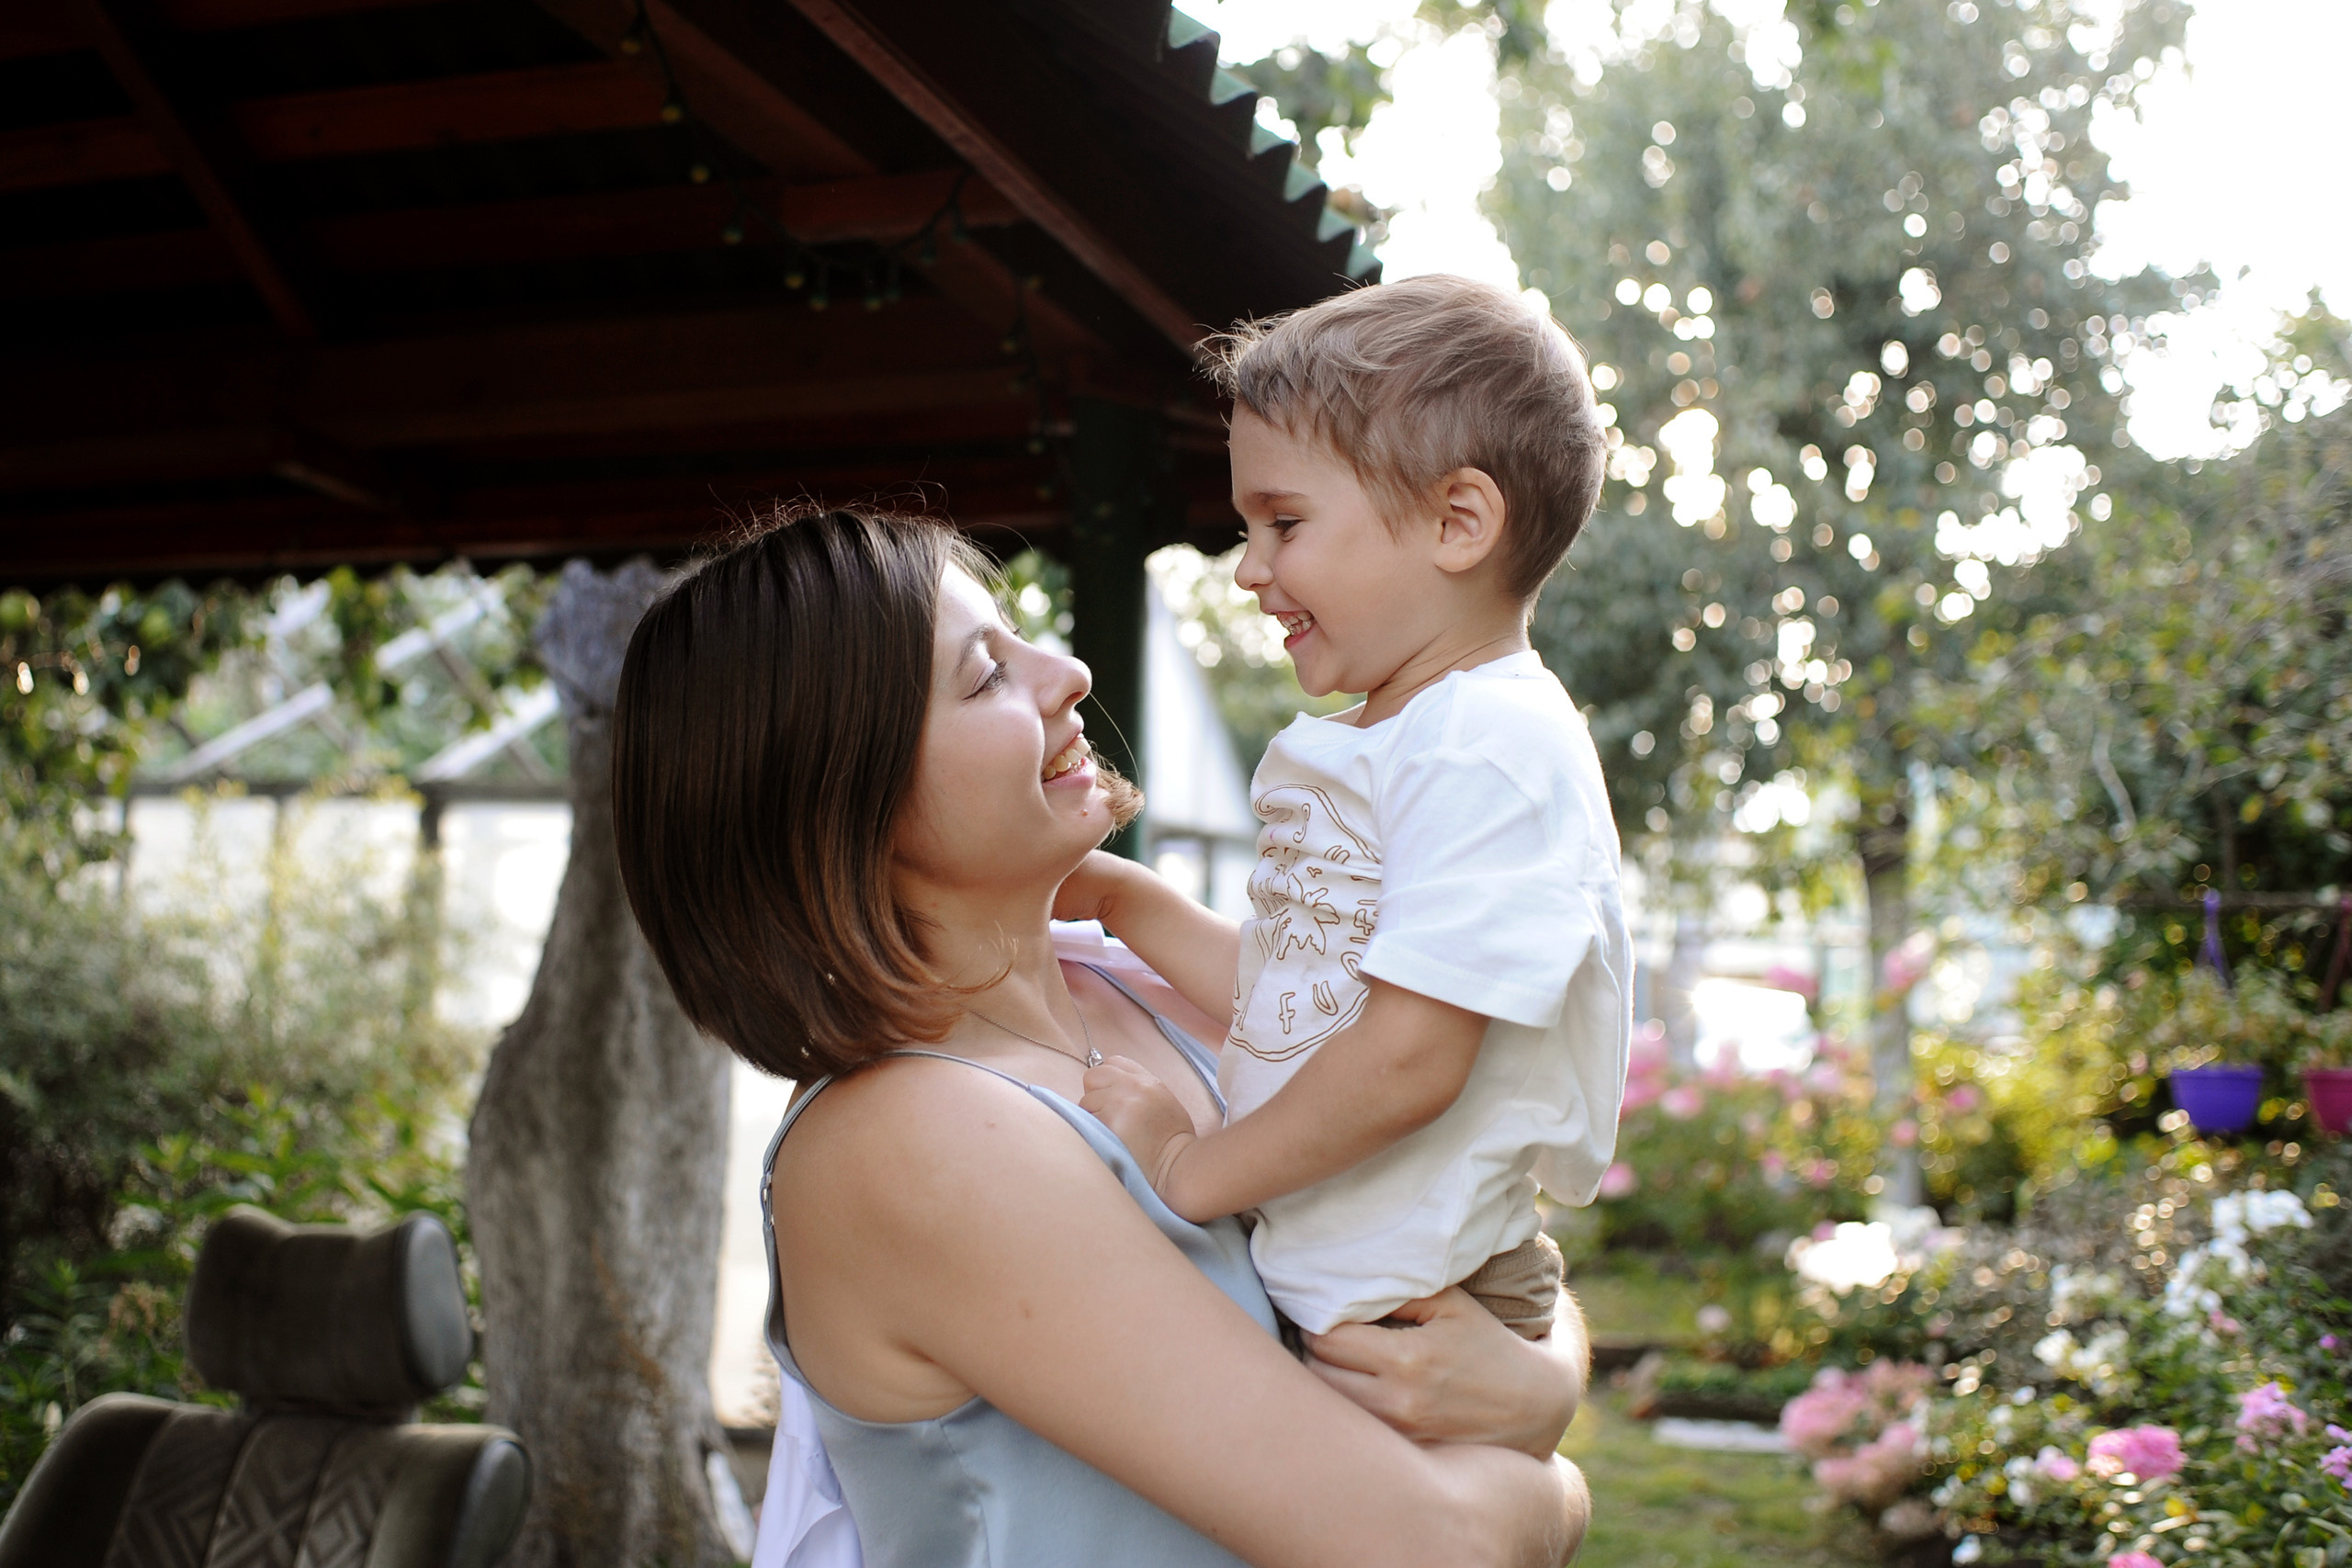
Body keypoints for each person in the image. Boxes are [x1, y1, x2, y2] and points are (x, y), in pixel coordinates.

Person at [609, 508, 1592, 1568]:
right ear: (834, 799)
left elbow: (1470, 1218)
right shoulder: (913, 1140)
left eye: (1020, 639)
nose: (1068, 673)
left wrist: (1543, 1378)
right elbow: (1429, 1547)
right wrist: (1556, 1475)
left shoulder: (1143, 992)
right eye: (985, 678)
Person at [1066, 275, 1634, 1345]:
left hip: (1416, 1303)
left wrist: (1193, 1172)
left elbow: (1409, 1058)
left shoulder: (1490, 749)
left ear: (1457, 521)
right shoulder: (1409, 740)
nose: (1249, 570)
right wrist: (1123, 899)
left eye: (1284, 522)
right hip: (1356, 1287)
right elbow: (1304, 1005)